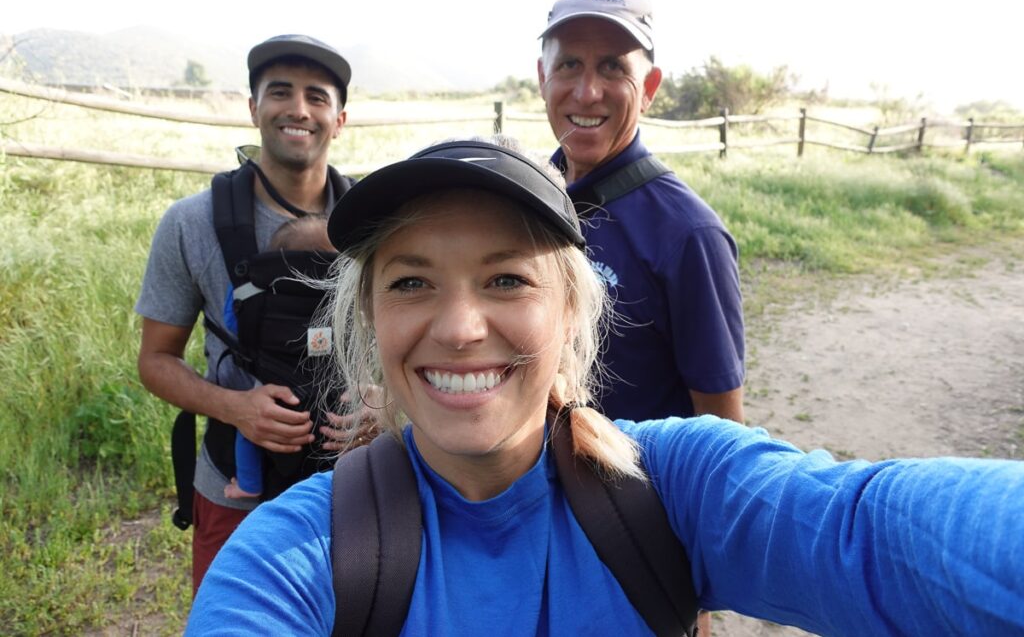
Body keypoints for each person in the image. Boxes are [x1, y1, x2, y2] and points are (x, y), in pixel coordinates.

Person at [185, 138, 1024, 636]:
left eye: (507, 279)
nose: (460, 325)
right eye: (411, 282)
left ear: (571, 313)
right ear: (369, 317)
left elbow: (865, 527)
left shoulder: (670, 488)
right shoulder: (295, 557)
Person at [136, 34, 355, 593]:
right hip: (237, 488)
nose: (299, 109)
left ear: (341, 117)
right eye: (279, 92)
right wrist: (235, 407)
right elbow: (155, 361)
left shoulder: (374, 221)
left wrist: (386, 403)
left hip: (356, 483)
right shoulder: (191, 224)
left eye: (317, 96)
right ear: (254, 108)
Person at [537, 0, 745, 424]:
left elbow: (722, 429)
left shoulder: (689, 235)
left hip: (634, 490)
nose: (588, 92)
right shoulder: (527, 199)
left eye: (612, 68)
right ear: (542, 77)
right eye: (570, 64)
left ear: (649, 88)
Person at [223, 214, 334, 500]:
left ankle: (249, 484)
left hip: (274, 387)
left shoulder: (255, 292)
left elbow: (232, 323)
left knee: (248, 429)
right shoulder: (343, 293)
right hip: (332, 387)